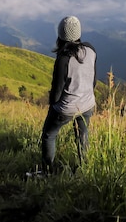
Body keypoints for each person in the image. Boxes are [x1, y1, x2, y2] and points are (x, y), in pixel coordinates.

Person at [40, 16, 97, 173]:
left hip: (66, 107)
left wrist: (52, 105)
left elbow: (57, 90)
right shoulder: (90, 50)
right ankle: (83, 169)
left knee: (49, 135)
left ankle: (47, 172)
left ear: (60, 35)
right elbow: (93, 81)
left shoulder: (63, 58)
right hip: (87, 103)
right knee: (82, 136)